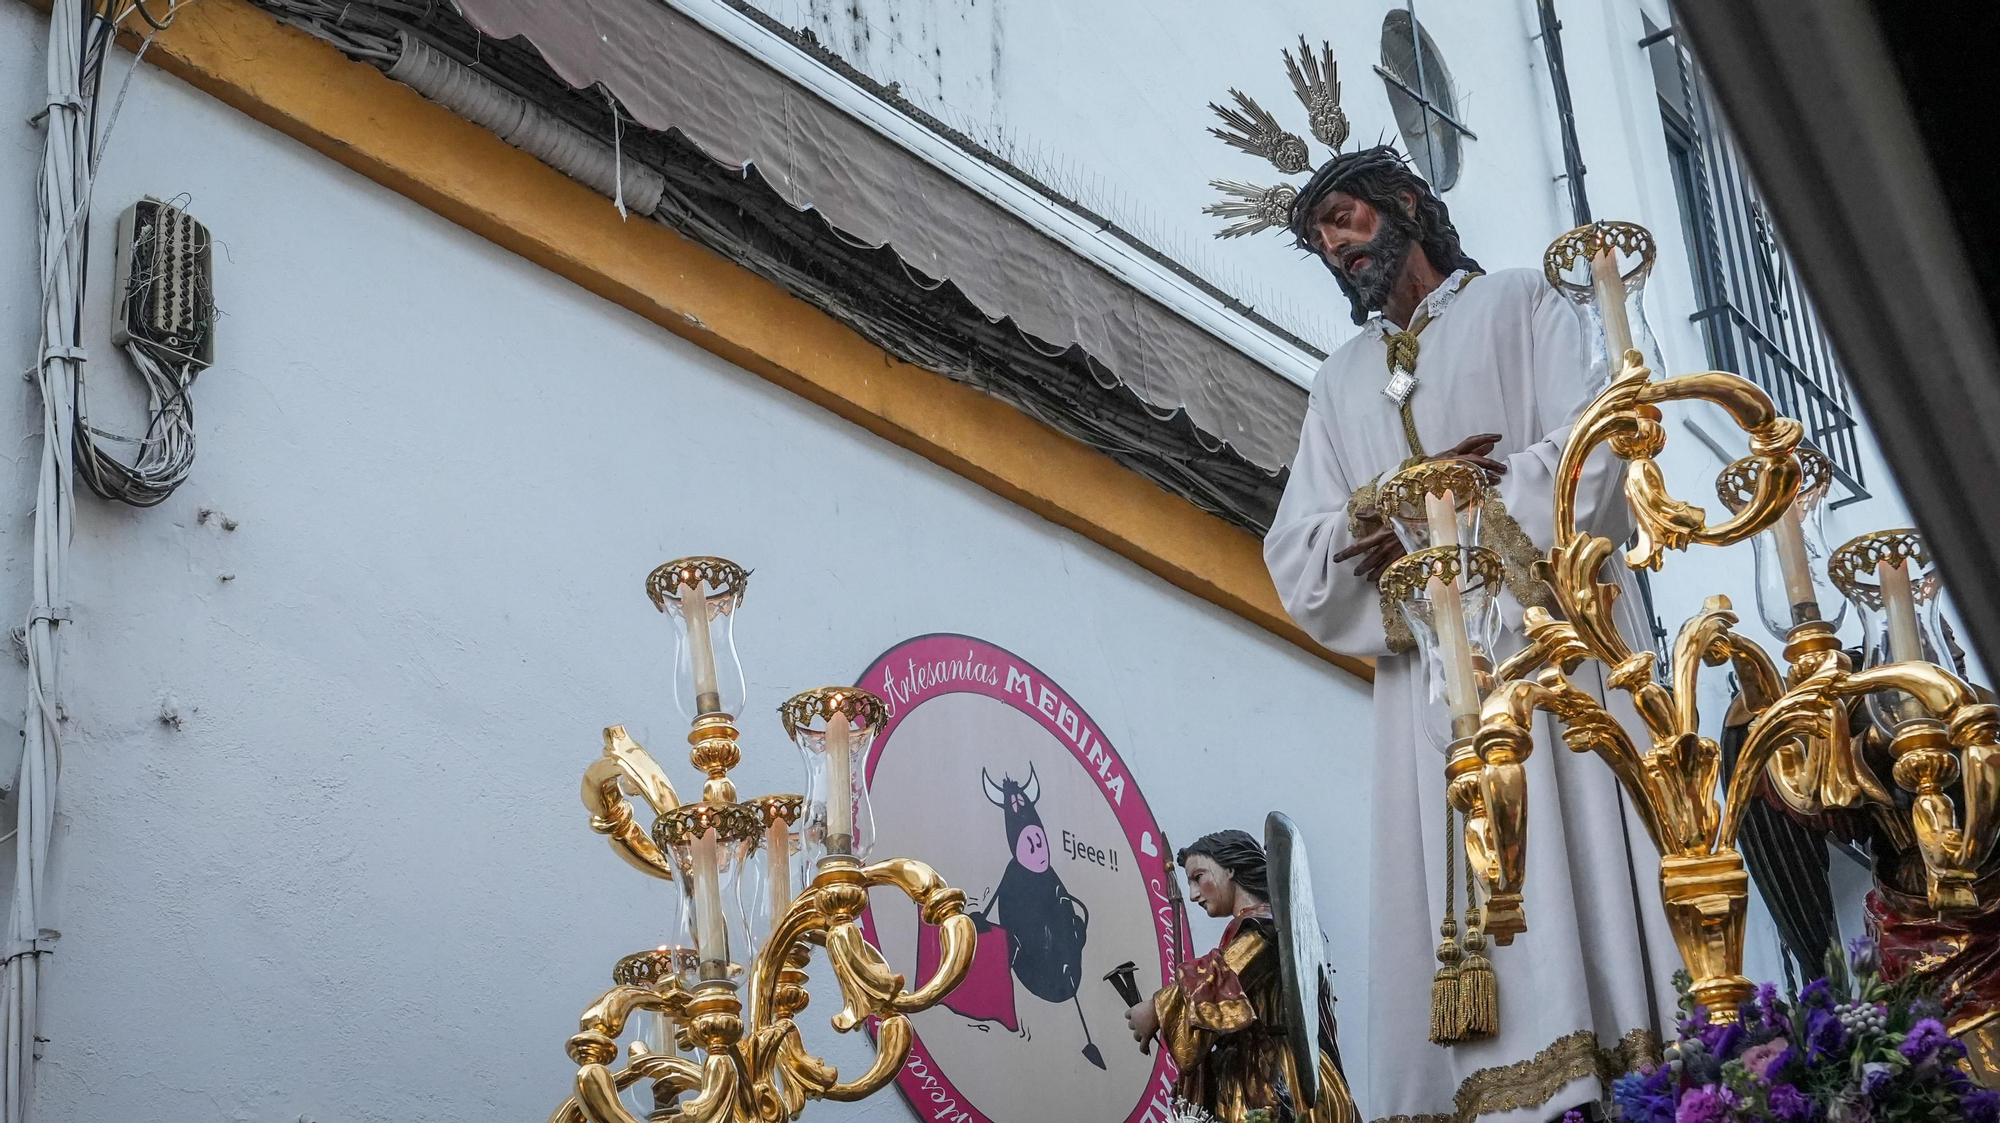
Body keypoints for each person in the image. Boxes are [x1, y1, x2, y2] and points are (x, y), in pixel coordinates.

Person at [1262, 146, 1679, 1120]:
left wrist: (1472, 499)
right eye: (1319, 234)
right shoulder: (1338, 383)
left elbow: (1597, 447)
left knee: (1567, 838)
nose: (1334, 243)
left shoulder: (1521, 304)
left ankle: (1611, 1071)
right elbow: (1297, 553)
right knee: (1445, 886)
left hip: (1543, 638)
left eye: (1344, 216)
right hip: (1425, 686)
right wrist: (1381, 510)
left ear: (1406, 203)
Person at [1122, 830, 1358, 1123]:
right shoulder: (1265, 925)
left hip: (1278, 1081)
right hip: (1254, 1072)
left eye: (1199, 876)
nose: (1194, 894)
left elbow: (1227, 975)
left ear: (1230, 869)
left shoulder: (1266, 928)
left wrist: (1156, 1007)